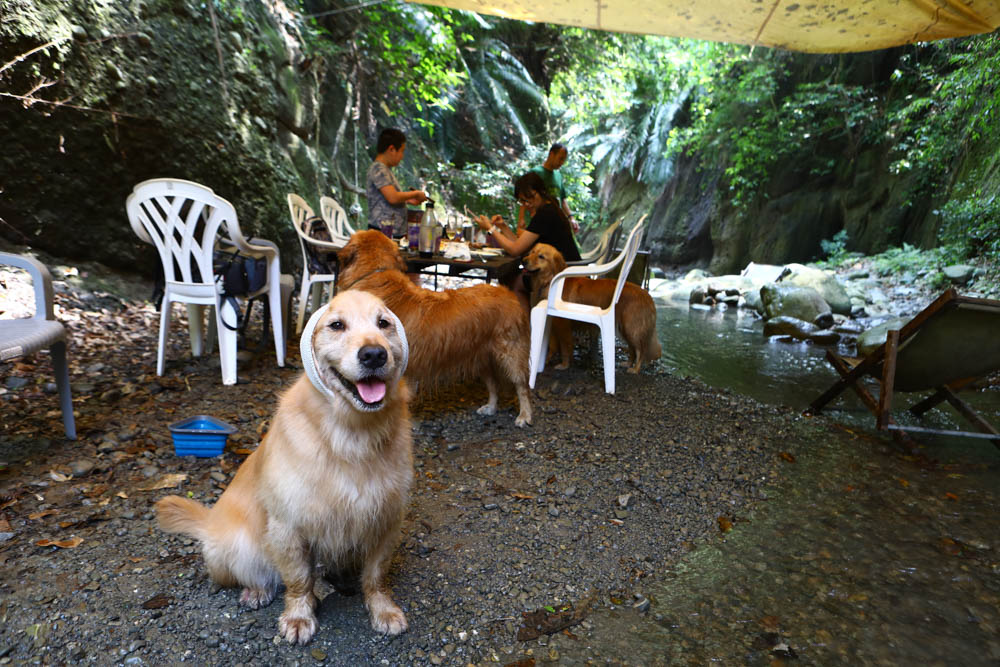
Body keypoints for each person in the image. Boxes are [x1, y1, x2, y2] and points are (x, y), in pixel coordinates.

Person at [475, 171, 581, 310]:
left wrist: (490, 228)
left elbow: (515, 250)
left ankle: (526, 327)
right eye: (522, 201)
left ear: (541, 191)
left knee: (515, 282)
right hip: (562, 270)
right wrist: (503, 227)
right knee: (509, 276)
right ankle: (527, 324)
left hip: (562, 273)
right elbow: (521, 245)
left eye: (530, 198)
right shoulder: (549, 207)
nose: (527, 204)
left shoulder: (545, 214)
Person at [366, 128, 427, 236]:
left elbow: (384, 199)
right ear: (392, 149)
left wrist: (407, 200)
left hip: (390, 233)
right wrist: (416, 194)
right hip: (381, 232)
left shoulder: (385, 169)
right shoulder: (378, 169)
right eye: (402, 151)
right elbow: (392, 197)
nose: (402, 156)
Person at [518, 143, 578, 234]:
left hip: (556, 224)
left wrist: (571, 218)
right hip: (539, 223)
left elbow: (562, 199)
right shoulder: (536, 172)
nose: (561, 163)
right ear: (551, 154)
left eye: (564, 160)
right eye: (560, 158)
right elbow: (524, 197)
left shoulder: (558, 175)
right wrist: (521, 219)